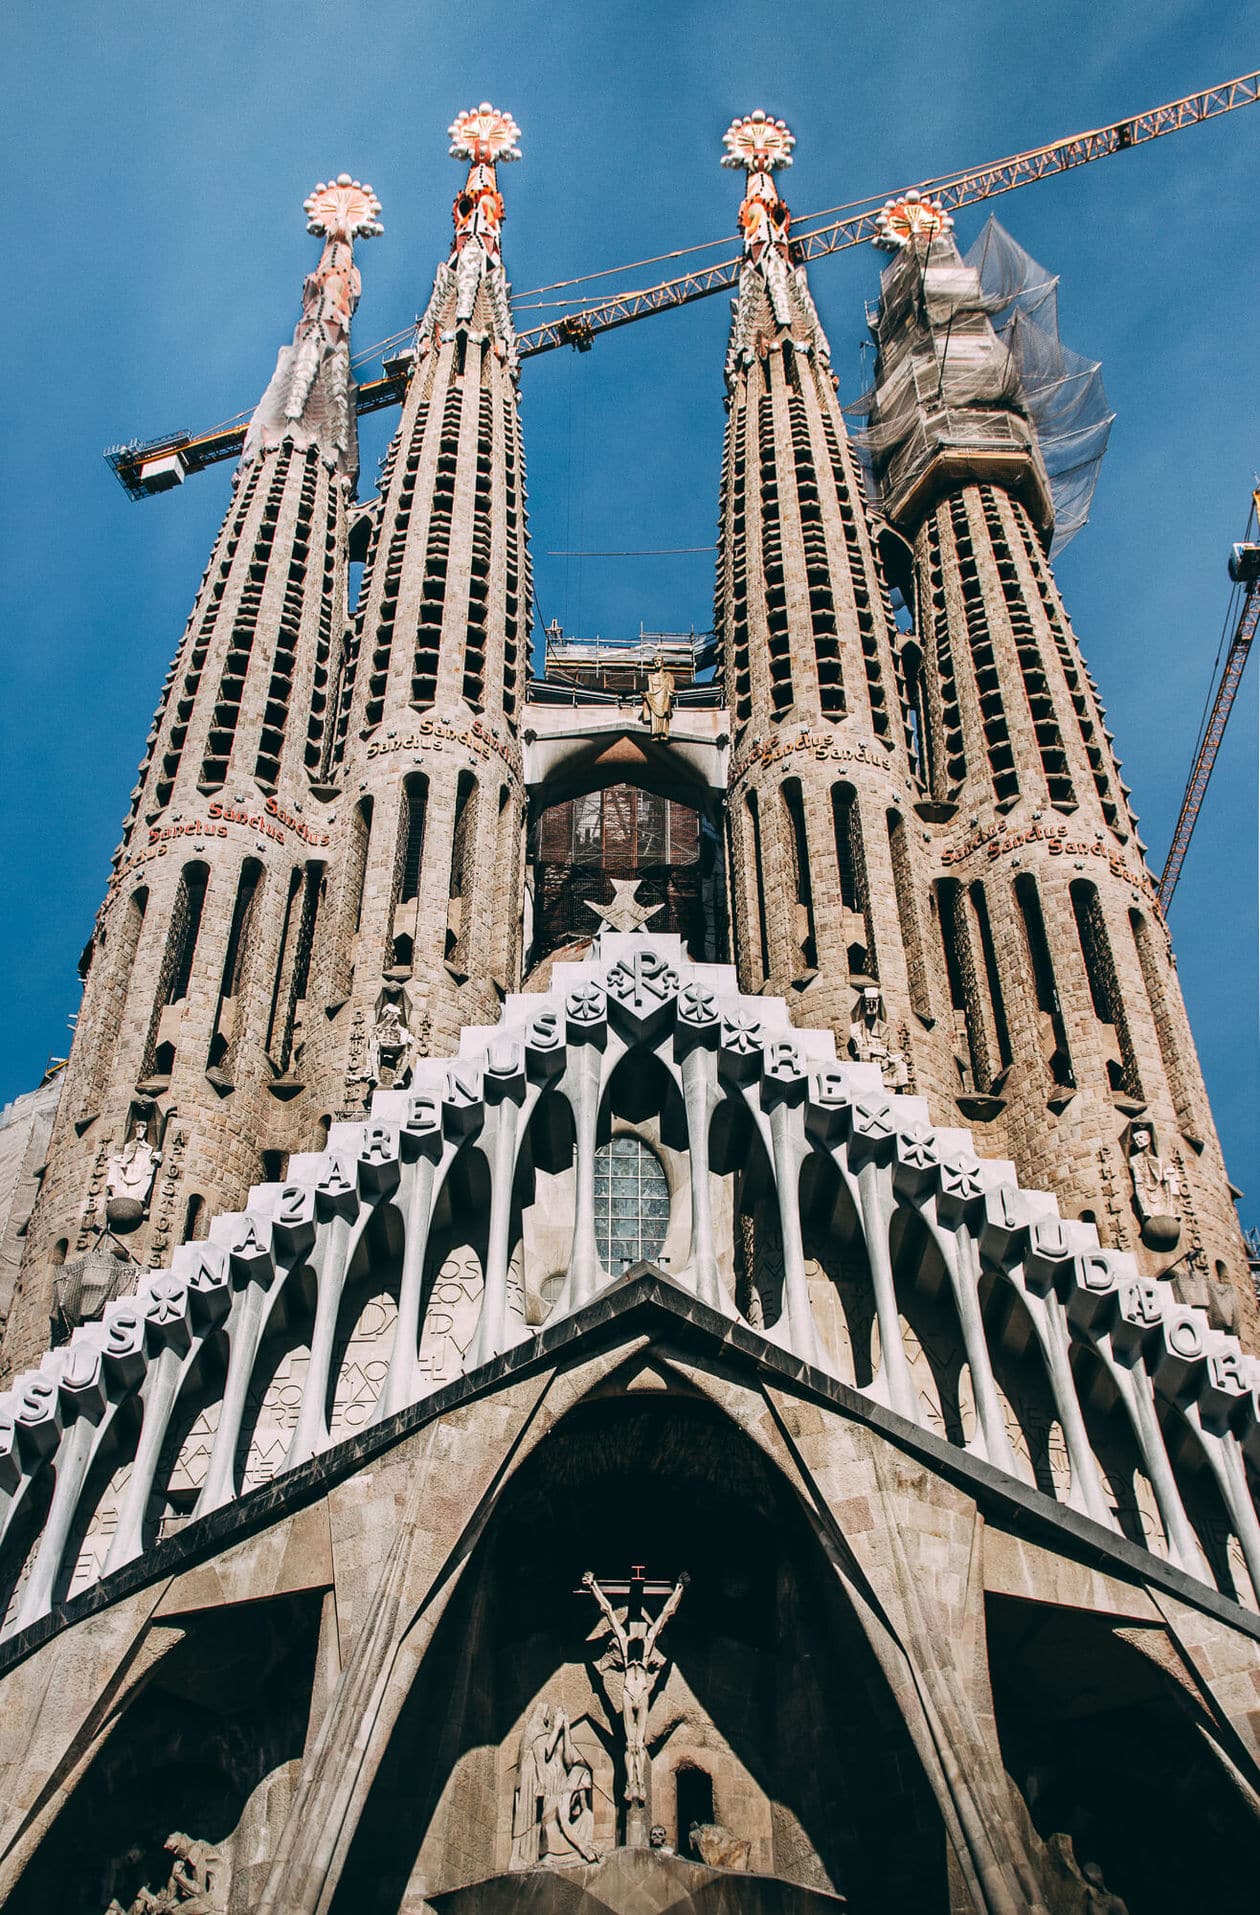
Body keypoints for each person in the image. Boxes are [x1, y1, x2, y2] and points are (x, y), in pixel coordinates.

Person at [582, 1571, 688, 1804]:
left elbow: (665, 1614)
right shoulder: (624, 1642)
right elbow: (608, 1611)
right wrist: (593, 1587)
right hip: (629, 1692)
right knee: (631, 1744)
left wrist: (680, 1588)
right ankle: (631, 1784)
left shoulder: (649, 1641)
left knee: (639, 1744)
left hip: (641, 1693)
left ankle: (639, 1784)